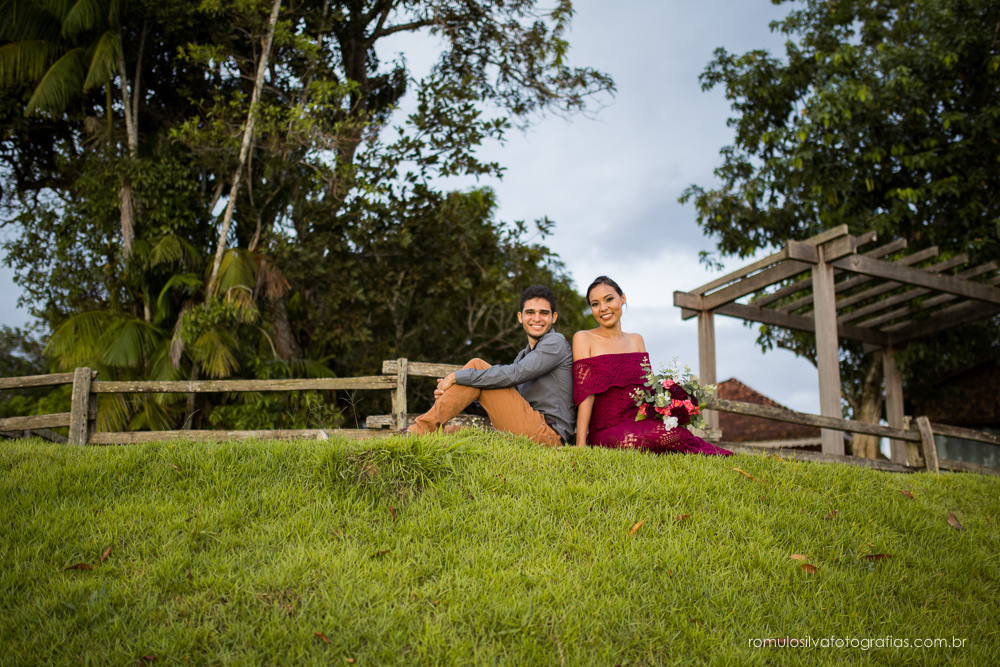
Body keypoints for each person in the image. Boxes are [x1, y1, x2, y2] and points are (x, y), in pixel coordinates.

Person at [572, 276, 733, 455]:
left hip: (641, 421)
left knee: (677, 434)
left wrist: (673, 404)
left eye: (609, 299)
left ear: (622, 298)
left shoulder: (636, 340)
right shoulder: (584, 338)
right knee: (635, 440)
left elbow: (649, 389)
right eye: (595, 304)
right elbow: (585, 394)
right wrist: (581, 444)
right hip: (606, 428)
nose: (603, 308)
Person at [400, 285, 574, 446]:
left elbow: (514, 374)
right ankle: (415, 438)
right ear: (520, 317)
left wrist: (456, 377)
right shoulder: (524, 355)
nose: (537, 318)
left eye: (543, 313)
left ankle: (414, 431)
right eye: (530, 312)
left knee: (477, 366)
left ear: (554, 317)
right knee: (449, 433)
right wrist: (455, 395)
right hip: (527, 427)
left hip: (549, 435)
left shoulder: (555, 342)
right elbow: (495, 401)